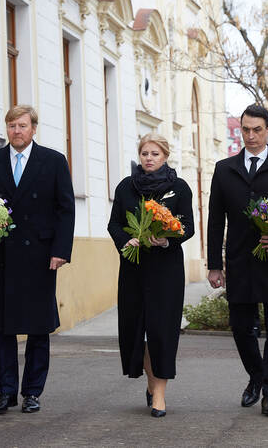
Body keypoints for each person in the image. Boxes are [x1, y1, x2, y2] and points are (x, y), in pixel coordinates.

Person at [206, 104, 268, 418]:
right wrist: (214, 264)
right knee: (241, 328)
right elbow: (215, 219)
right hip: (240, 262)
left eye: (256, 130)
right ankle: (257, 375)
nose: (250, 136)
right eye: (245, 130)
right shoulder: (225, 168)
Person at [0, 105, 75, 414]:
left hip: (40, 256)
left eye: (22, 126)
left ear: (33, 129)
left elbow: (65, 209)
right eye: (11, 126)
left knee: (37, 327)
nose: (16, 131)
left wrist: (60, 251)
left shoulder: (53, 161)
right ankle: (5, 392)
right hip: (2, 256)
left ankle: (32, 391)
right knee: (1, 327)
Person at [107, 134, 195, 418]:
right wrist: (126, 241)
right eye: (144, 153)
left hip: (165, 270)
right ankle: (151, 382)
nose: (149, 158)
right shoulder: (126, 187)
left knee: (161, 330)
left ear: (165, 155)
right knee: (137, 330)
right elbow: (114, 224)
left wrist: (167, 240)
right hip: (133, 269)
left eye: (155, 153)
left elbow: (187, 227)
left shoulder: (179, 188)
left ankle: (159, 394)